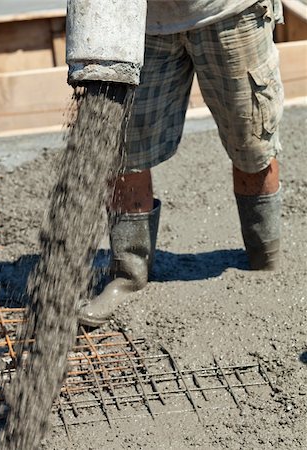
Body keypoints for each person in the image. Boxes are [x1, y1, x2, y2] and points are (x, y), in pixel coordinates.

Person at [79, 0, 284, 326]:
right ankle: (129, 273)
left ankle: (265, 262)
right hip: (140, 19)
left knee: (251, 142)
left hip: (230, 12)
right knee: (123, 148)